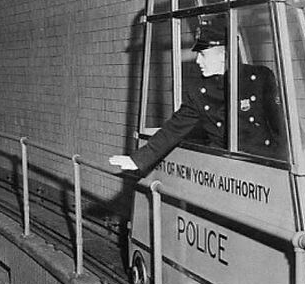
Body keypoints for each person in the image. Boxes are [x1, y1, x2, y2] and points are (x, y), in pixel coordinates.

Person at [110, 15, 285, 174]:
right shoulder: (198, 92)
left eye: (202, 54)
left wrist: (302, 153)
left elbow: (281, 122)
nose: (197, 61)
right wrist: (137, 159)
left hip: (265, 165)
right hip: (227, 170)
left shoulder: (260, 78)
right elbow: (174, 128)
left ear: (223, 56)